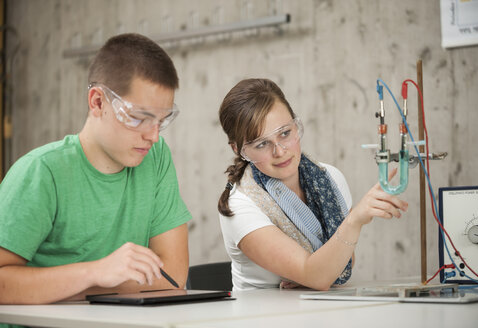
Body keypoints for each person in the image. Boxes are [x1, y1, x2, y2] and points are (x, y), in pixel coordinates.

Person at [0, 33, 192, 305]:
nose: (154, 136)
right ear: (98, 102)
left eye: (162, 120)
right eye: (139, 118)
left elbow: (172, 277)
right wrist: (97, 272)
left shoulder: (155, 157)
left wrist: (76, 290)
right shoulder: (42, 172)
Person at [218, 78, 408, 291]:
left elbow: (344, 263)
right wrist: (354, 222)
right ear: (237, 149)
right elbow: (318, 277)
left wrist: (316, 272)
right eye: (262, 144)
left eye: (285, 133)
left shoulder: (330, 179)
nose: (280, 151)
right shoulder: (241, 205)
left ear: (296, 125)